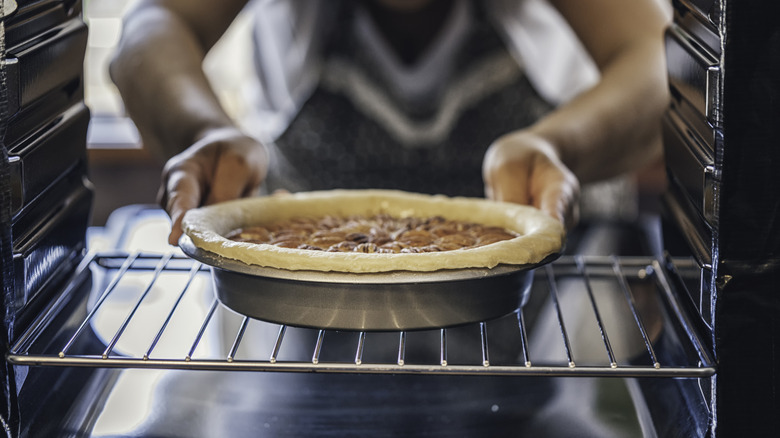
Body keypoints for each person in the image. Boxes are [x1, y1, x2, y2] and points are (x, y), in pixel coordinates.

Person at [110, 0, 671, 246]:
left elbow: (657, 59)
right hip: (310, 310)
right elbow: (150, 28)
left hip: (552, 306)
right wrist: (202, 131)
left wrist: (558, 144)